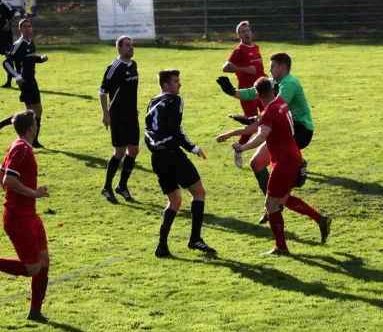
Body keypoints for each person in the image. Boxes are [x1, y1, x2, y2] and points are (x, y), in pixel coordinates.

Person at [216, 77, 331, 256]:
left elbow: (261, 136)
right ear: (273, 90)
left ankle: (281, 248)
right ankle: (321, 219)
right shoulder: (281, 102)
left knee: (271, 205)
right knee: (283, 199)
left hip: (283, 162)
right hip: (293, 156)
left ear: (256, 94)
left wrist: (242, 147)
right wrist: (232, 133)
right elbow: (257, 126)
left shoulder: (270, 111)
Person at [217, 52, 312, 223]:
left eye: (272, 65)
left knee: (281, 193)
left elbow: (274, 109)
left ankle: (275, 205)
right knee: (257, 164)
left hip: (299, 130)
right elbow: (257, 92)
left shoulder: (289, 83)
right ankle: (275, 206)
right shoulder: (275, 82)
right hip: (283, 128)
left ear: (282, 67)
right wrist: (233, 92)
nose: (269, 68)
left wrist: (251, 121)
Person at [145, 69, 216, 257]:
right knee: (199, 192)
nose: (180, 85)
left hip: (157, 158)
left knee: (174, 200)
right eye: (176, 81)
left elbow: (148, 130)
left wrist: (155, 147)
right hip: (172, 155)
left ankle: (161, 246)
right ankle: (195, 239)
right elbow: (176, 130)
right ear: (166, 84)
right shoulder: (175, 100)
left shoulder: (153, 102)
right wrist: (192, 147)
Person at [0, 110, 51, 322]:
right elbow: (8, 181)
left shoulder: (18, 146)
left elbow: (3, 173)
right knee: (32, 268)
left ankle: (35, 312)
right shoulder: (22, 150)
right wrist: (34, 193)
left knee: (44, 261)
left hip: (29, 214)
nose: (37, 125)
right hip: (19, 217)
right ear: (30, 128)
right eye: (35, 123)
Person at [98, 35, 139, 204]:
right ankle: (106, 187)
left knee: (134, 150)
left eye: (132, 45)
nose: (131, 48)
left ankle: (122, 186)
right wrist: (105, 114)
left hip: (131, 115)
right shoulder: (114, 67)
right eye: (127, 45)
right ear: (119, 48)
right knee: (120, 152)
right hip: (118, 115)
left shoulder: (133, 65)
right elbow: (102, 91)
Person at [222, 20, 267, 168]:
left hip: (262, 91)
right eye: (243, 31)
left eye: (248, 30)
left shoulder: (255, 47)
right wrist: (245, 70)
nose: (247, 33)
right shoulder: (239, 50)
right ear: (238, 35)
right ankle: (238, 149)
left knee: (268, 119)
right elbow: (226, 67)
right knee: (252, 125)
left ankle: (271, 152)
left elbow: (258, 69)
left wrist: (264, 76)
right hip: (247, 93)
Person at [0, 19, 48, 148]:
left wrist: (41, 59)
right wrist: (16, 76)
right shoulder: (18, 44)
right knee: (33, 111)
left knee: (33, 111)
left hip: (32, 80)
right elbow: (6, 62)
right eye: (25, 27)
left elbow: (30, 59)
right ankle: (34, 141)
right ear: (20, 30)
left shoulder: (31, 43)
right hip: (25, 81)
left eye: (30, 26)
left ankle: (34, 140)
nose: (28, 28)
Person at [0, 0, 19, 88]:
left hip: (4, 36)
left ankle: (9, 82)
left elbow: (17, 14)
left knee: (8, 58)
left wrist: (8, 23)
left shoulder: (5, 5)